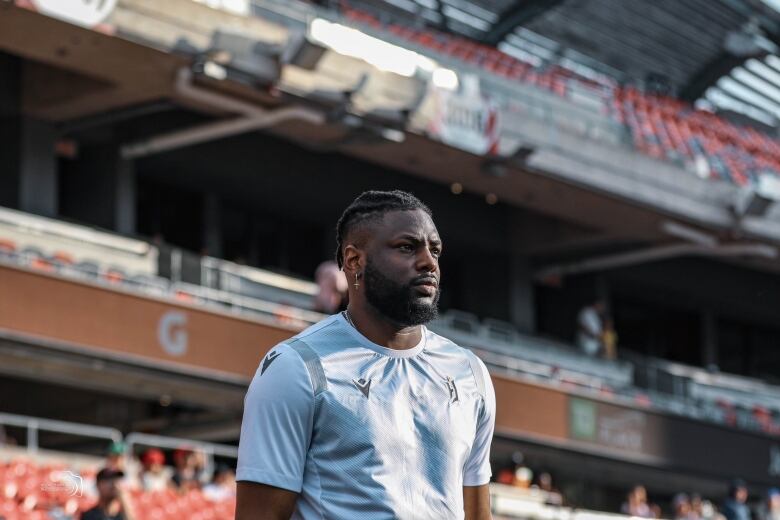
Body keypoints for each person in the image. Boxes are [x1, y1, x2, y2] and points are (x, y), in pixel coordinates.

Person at [236, 190, 496, 520]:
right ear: (354, 260)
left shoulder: (469, 372)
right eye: (407, 247)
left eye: (435, 250)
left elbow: (476, 513)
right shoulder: (296, 367)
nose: (429, 262)